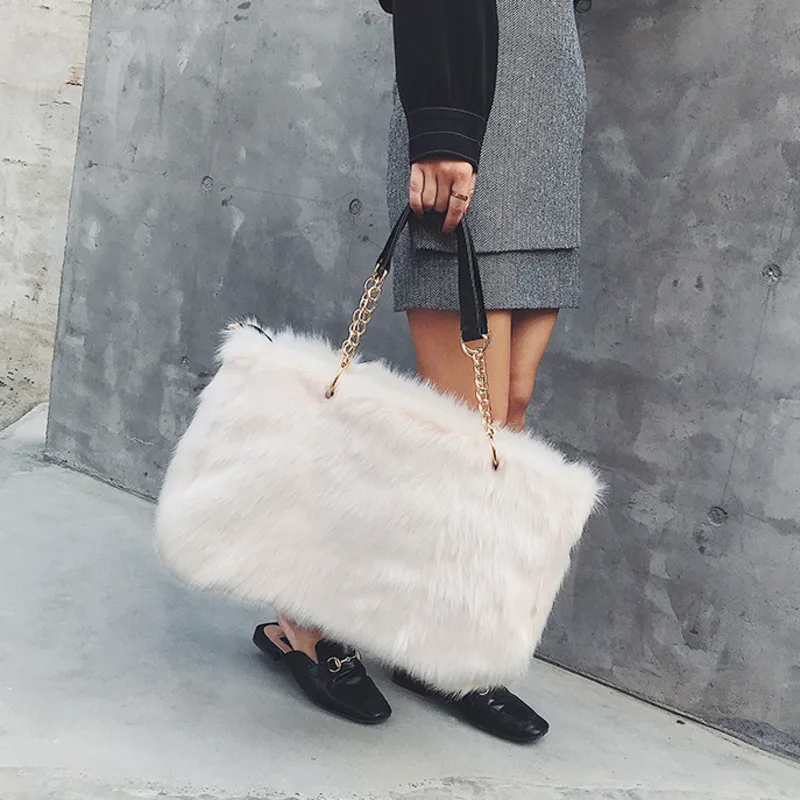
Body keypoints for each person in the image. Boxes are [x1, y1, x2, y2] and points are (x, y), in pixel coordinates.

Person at [252, 0, 588, 742]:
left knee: (507, 421)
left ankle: (436, 644)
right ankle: (304, 616)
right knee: (459, 435)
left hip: (546, 105)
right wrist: (441, 129)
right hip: (471, 106)